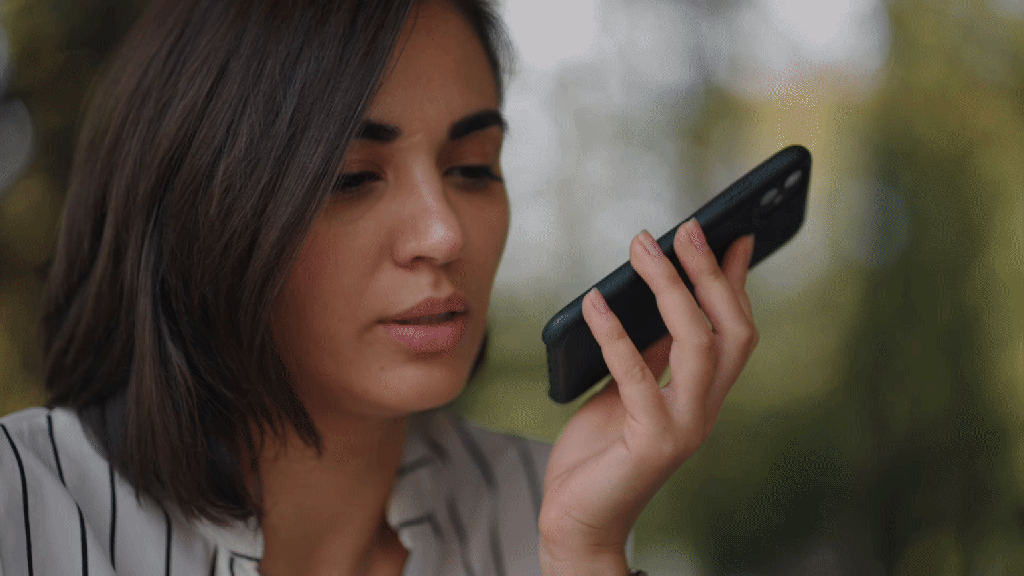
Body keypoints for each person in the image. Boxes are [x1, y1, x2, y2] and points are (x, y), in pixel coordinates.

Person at [0, 0, 760, 574]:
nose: (446, 233)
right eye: (352, 178)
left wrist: (586, 553)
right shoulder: (25, 505)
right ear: (203, 205)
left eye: (472, 168)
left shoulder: (549, 511)